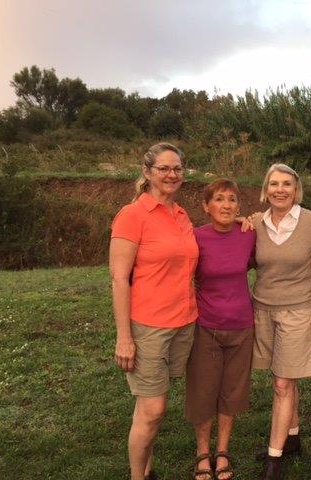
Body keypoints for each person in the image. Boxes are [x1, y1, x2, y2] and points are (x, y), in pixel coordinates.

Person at [109, 143, 198, 480]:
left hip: (184, 322)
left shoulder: (181, 214)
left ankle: (146, 468)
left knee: (150, 407)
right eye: (164, 168)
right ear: (147, 172)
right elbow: (119, 279)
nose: (172, 174)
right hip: (148, 326)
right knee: (153, 409)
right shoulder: (132, 215)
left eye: (177, 168)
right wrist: (124, 337)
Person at [251, 163, 311, 480]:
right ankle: (292, 436)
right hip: (263, 309)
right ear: (266, 190)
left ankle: (274, 458)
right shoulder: (255, 223)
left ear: (296, 190)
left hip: (297, 310)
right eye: (274, 184)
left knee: (283, 383)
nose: (280, 190)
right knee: (281, 379)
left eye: (286, 184)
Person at [185, 179, 256, 480]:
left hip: (242, 325)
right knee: (203, 391)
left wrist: (251, 220)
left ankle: (223, 450)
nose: (226, 205)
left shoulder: (249, 234)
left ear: (239, 206)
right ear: (206, 206)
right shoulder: (195, 237)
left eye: (232, 199)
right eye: (219, 199)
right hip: (206, 326)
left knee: (232, 391)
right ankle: (203, 452)